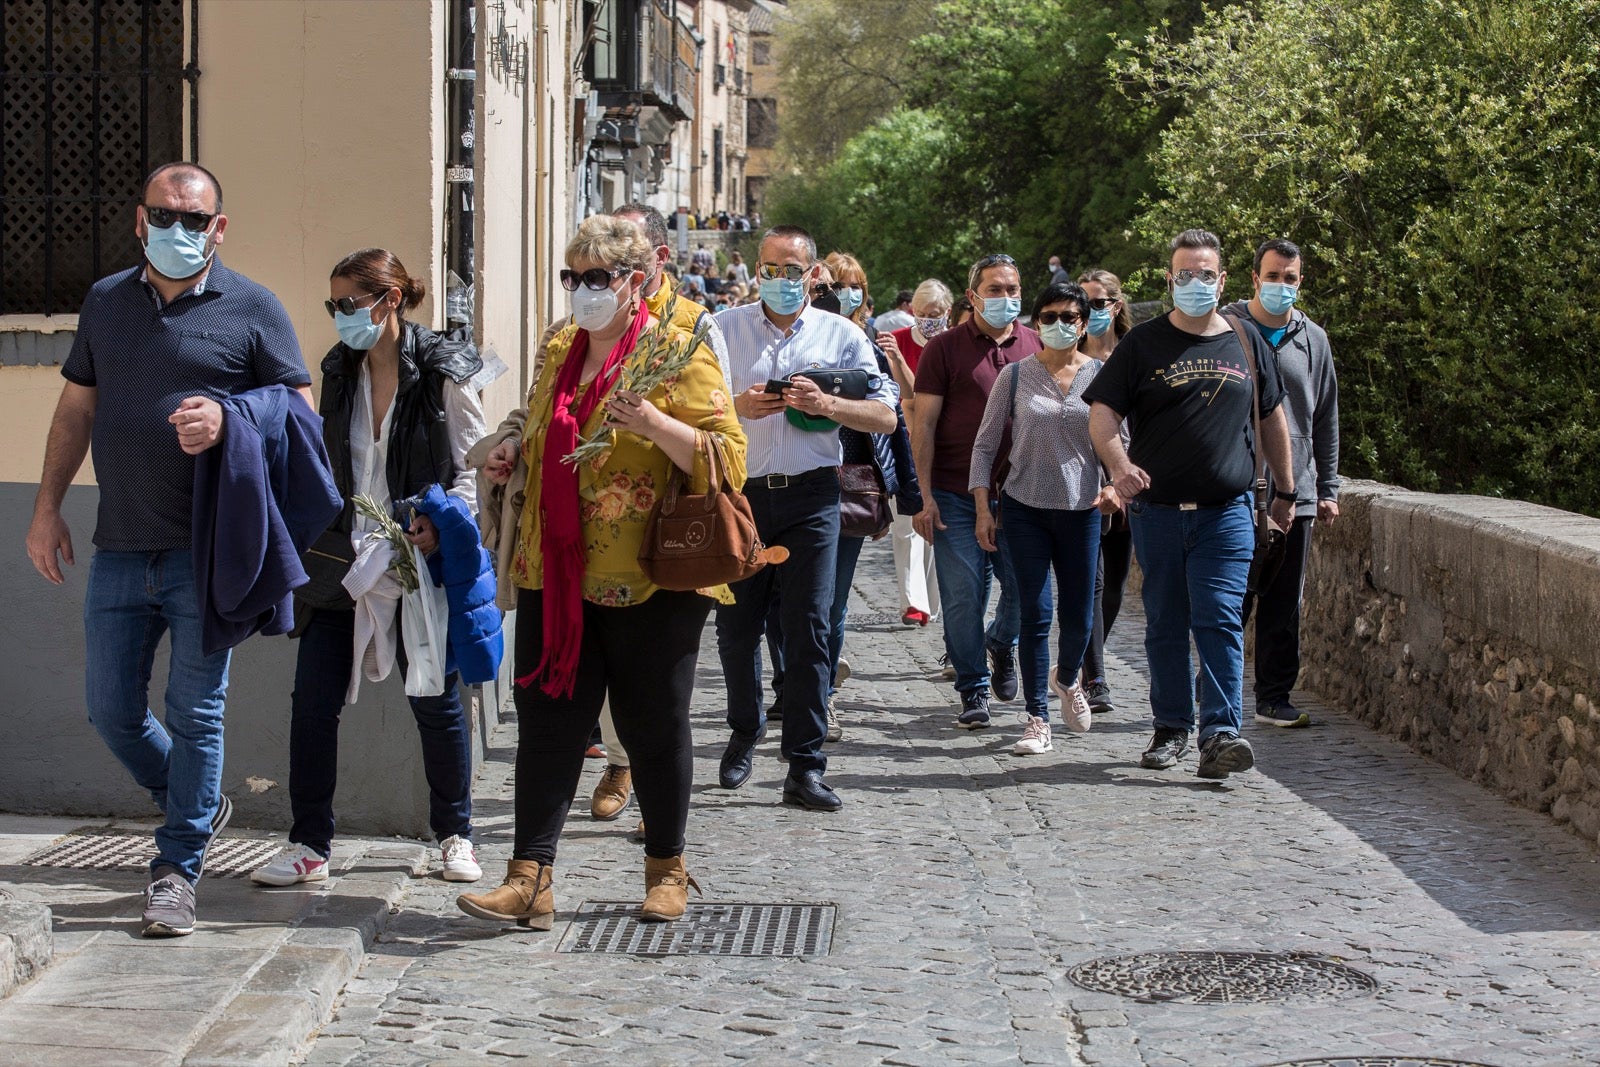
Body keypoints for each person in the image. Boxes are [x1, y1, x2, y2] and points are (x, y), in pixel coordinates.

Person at [25, 162, 315, 937]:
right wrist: (46, 507)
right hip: (118, 546)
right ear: (139, 219)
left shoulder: (254, 307)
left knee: (196, 710)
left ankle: (176, 866)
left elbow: (297, 412)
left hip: (204, 552)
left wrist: (229, 418)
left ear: (219, 228)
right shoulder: (106, 301)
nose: (178, 229)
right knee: (110, 708)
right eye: (165, 214)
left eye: (196, 219)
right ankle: (197, 801)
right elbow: (75, 408)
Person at [456, 214, 746, 928]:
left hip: (651, 575)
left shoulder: (678, 350)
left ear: (634, 281)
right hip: (556, 572)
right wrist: (509, 452)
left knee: (653, 725)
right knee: (548, 724)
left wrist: (654, 423)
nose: (583, 291)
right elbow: (536, 425)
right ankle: (530, 877)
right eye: (572, 277)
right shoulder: (560, 346)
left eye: (597, 278)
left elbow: (730, 458)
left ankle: (667, 867)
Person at [250, 248, 490, 889]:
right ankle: (308, 844)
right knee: (313, 704)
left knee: (436, 701)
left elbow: (473, 465)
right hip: (343, 556)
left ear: (388, 301)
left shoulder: (444, 370)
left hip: (416, 559)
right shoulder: (339, 370)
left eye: (348, 304)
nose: (338, 317)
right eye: (332, 306)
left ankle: (455, 835)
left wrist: (439, 524)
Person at [1083, 228, 1297, 780]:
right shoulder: (1143, 345)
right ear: (1170, 279)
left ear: (1223, 280)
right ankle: (1172, 727)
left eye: (1206, 275)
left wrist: (1287, 492)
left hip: (1228, 512)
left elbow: (1273, 419)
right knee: (1165, 623)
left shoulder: (1248, 342)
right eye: (1185, 274)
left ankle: (1221, 733)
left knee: (1221, 620)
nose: (1195, 283)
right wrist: (1119, 466)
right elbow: (1103, 413)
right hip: (1157, 513)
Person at [713, 225, 898, 812]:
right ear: (756, 272)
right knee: (736, 628)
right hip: (741, 496)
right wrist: (736, 407)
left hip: (813, 497)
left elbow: (886, 415)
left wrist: (830, 406)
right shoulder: (723, 330)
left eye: (793, 271)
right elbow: (689, 403)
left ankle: (806, 764)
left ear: (812, 275)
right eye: (771, 269)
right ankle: (745, 730)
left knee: (810, 629)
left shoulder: (841, 334)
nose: (782, 281)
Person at [970, 282, 1115, 754]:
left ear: (1083, 322)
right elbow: (986, 444)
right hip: (1024, 507)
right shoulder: (1013, 377)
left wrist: (1115, 485)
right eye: (1049, 316)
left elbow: (1122, 442)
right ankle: (1037, 719)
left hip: (1082, 509)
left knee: (1078, 616)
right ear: (1036, 323)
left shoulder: (1103, 377)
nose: (1059, 325)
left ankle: (1068, 676)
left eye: (1069, 317)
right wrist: (981, 508)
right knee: (1035, 613)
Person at [912, 254, 1038, 729]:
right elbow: (923, 426)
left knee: (1028, 590)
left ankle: (1002, 643)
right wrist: (923, 496)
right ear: (973, 296)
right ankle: (973, 688)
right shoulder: (943, 349)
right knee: (963, 595)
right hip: (953, 491)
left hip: (1022, 494)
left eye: (1013, 288)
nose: (1006, 297)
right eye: (996, 289)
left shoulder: (1037, 345)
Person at [1223, 238, 1340, 727]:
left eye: (1289, 278)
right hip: (1234, 484)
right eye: (1272, 277)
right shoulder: (1226, 329)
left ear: (1300, 282)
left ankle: (1274, 696)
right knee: (1232, 595)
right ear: (1255, 279)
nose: (1280, 285)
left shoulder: (1313, 339)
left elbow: (1325, 417)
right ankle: (1212, 695)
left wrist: (1327, 488)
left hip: (1297, 490)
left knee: (1284, 599)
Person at [1076, 268, 1136, 714]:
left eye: (1099, 303)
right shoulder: (1068, 358)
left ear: (1116, 306)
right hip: (1083, 487)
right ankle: (1095, 676)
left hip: (1134, 486)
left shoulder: (1137, 355)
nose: (1091, 311)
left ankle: (1084, 656)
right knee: (1091, 583)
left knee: (1114, 583)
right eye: (1085, 303)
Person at [881, 279, 952, 626]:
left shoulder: (955, 344)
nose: (928, 320)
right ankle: (914, 601)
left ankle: (934, 602)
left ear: (947, 312)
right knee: (906, 524)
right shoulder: (898, 342)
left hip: (946, 444)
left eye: (935, 314)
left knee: (940, 525)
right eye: (922, 314)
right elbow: (904, 395)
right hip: (904, 443)